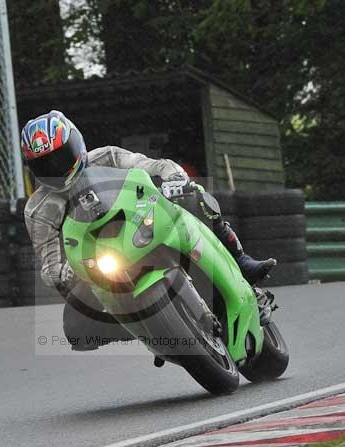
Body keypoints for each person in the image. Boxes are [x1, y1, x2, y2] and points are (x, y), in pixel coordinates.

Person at [22, 110, 276, 349]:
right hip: (97, 265)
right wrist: (62, 272)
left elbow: (152, 165)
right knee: (75, 330)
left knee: (194, 194)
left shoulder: (106, 156)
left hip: (140, 224)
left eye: (61, 156)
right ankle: (145, 329)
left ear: (76, 144)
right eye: (45, 164)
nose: (57, 168)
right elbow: (49, 261)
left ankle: (241, 260)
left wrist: (174, 177)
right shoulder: (38, 209)